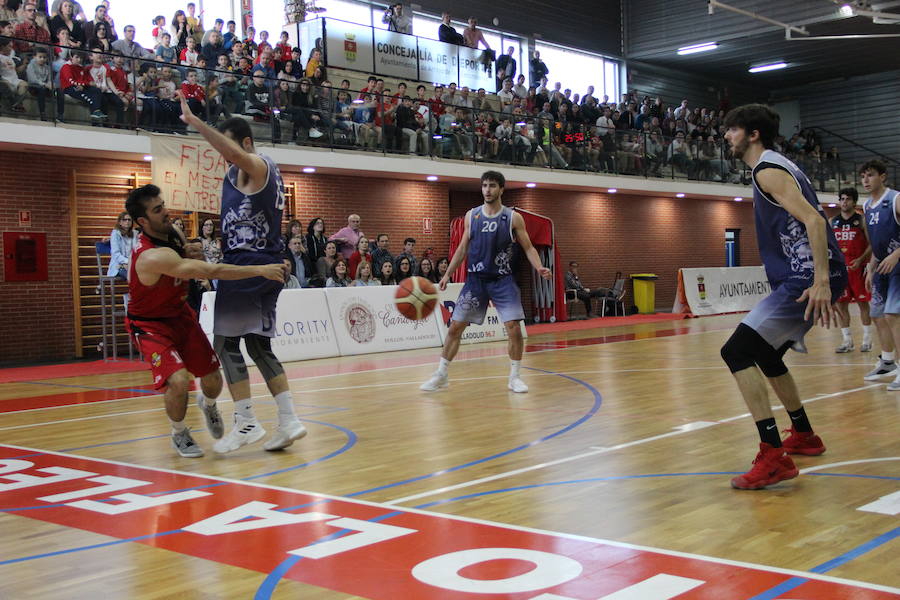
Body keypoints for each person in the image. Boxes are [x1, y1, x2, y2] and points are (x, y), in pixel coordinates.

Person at [719, 104, 847, 490]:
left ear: (753, 134)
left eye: (733, 129)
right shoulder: (778, 165)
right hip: (805, 274)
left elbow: (814, 220)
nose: (726, 135)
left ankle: (773, 456)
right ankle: (804, 434)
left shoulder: (768, 170)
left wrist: (821, 281)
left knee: (736, 352)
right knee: (766, 353)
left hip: (805, 277)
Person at [178, 95, 308, 453]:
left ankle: (246, 421)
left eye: (229, 147)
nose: (225, 155)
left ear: (247, 143)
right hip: (262, 264)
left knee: (225, 344)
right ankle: (289, 420)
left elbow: (235, 154)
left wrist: (196, 123)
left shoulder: (259, 166)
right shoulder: (236, 176)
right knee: (258, 345)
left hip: (249, 267)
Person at [124, 184, 288, 457]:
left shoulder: (173, 233)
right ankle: (179, 433)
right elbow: (210, 270)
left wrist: (192, 251)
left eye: (163, 205)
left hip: (180, 315)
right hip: (150, 324)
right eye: (157, 210)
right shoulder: (151, 255)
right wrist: (260, 270)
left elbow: (190, 253)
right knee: (178, 381)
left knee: (213, 379)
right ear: (142, 221)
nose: (165, 211)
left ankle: (209, 405)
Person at [421, 171, 551, 394]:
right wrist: (447, 274)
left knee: (514, 328)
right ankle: (441, 375)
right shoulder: (472, 216)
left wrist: (539, 266)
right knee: (455, 327)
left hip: (502, 280)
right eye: (484, 186)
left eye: (492, 185)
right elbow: (462, 248)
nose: (487, 190)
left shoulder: (512, 218)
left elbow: (529, 247)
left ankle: (515, 377)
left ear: (501, 189)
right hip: (476, 280)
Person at [860, 160, 900, 388]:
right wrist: (870, 267)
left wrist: (896, 255)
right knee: (877, 314)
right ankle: (887, 362)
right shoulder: (867, 205)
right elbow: (877, 242)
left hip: (898, 266)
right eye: (863, 176)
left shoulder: (895, 199)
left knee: (893, 315)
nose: (865, 180)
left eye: (870, 175)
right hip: (881, 267)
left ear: (883, 177)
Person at [831, 187, 873, 353]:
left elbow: (872, 244)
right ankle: (847, 340)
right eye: (842, 199)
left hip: (859, 269)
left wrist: (861, 259)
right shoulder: (832, 221)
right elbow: (828, 246)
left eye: (847, 199)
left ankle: (867, 339)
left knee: (863, 304)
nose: (844, 202)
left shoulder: (861, 220)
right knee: (841, 305)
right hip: (840, 270)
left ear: (854, 202)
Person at [108, 211, 135, 280]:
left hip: (132, 264)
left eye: (129, 220)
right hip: (119, 265)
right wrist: (128, 262)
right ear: (120, 222)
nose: (127, 221)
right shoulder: (115, 233)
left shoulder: (135, 233)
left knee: (144, 274)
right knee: (133, 276)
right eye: (124, 220)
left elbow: (136, 251)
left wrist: (131, 263)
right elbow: (116, 254)